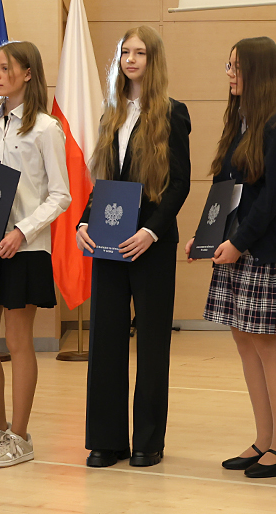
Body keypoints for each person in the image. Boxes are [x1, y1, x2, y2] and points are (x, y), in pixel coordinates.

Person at [77, 25, 191, 468]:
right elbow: (102, 181)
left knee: (152, 344)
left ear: (152, 60)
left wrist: (151, 232)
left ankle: (147, 441)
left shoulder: (173, 113)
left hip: (151, 246)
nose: (130, 59)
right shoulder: (111, 114)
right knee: (105, 341)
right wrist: (84, 221)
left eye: (140, 52)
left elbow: (179, 184)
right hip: (108, 241)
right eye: (125, 52)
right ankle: (107, 441)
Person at [193, 37, 276, 478]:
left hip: (266, 249)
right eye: (228, 65)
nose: (230, 74)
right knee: (244, 340)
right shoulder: (242, 121)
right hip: (238, 247)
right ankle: (264, 439)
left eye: (237, 67)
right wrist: (207, 236)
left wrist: (238, 242)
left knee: (269, 344)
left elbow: (273, 199)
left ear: (260, 72)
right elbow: (227, 190)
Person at [0, 41, 70, 468]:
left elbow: (60, 195)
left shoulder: (45, 128)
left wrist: (23, 232)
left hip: (25, 248)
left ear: (28, 73)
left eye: (5, 68)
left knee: (19, 342)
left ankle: (20, 436)